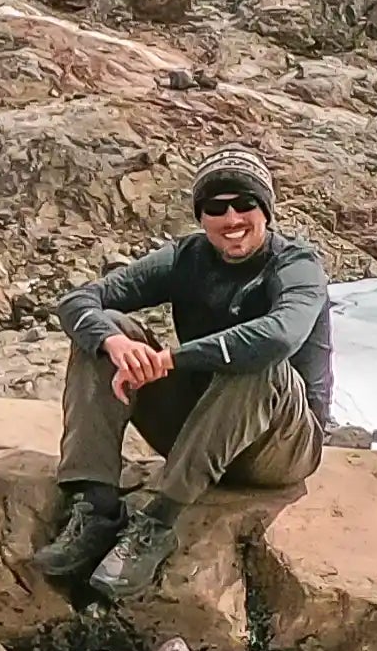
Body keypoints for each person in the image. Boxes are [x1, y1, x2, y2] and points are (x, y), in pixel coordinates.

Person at [34, 144, 331, 600]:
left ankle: (157, 523)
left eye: (244, 204)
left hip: (278, 446)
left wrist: (172, 358)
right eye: (216, 208)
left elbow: (278, 337)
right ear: (201, 216)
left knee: (257, 360)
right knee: (107, 330)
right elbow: (77, 301)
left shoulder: (296, 265)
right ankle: (95, 507)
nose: (232, 219)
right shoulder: (186, 257)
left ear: (266, 210)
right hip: (200, 428)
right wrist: (114, 343)